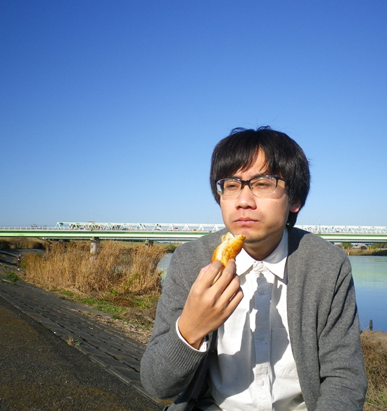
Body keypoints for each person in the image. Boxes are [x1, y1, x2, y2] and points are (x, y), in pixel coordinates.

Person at [141, 127, 367, 410]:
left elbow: (344, 379)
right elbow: (157, 385)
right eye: (231, 185)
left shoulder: (327, 264)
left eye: (262, 183)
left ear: (295, 199)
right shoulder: (192, 261)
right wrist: (190, 329)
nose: (243, 201)